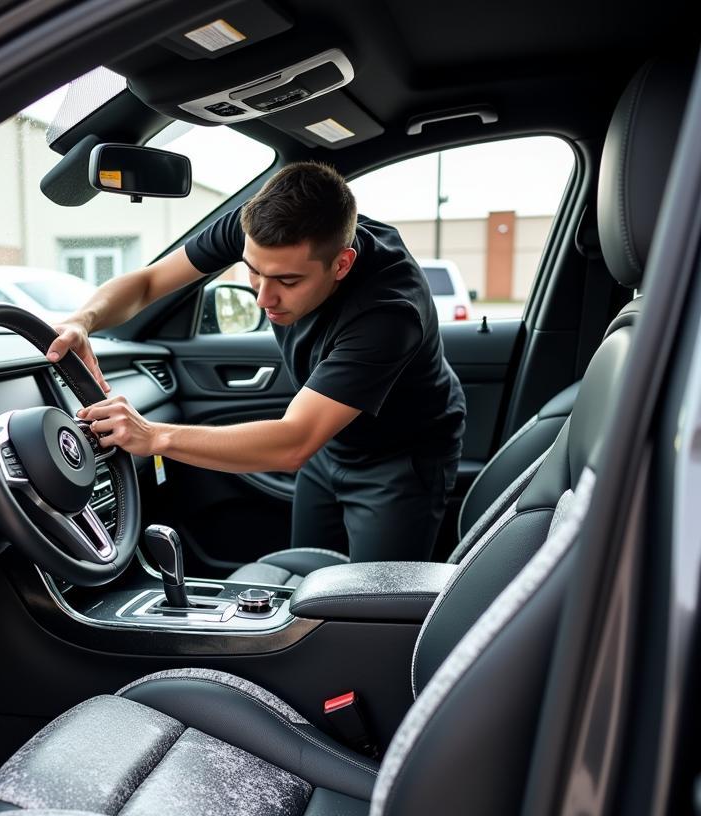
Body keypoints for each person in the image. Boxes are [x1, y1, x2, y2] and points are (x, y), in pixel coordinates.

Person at [46, 161, 466, 562]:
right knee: (312, 577)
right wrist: (84, 320)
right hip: (330, 447)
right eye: (252, 272)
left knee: (374, 607)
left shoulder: (388, 313)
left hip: (401, 460)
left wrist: (153, 436)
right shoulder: (260, 232)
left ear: (342, 264)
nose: (263, 298)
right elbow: (150, 281)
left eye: (287, 281)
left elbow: (294, 442)